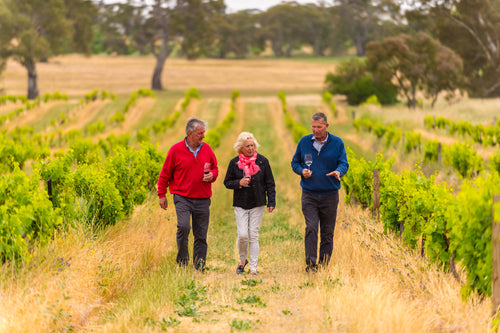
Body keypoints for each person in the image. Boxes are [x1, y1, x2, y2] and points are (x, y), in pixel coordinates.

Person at [157, 117, 218, 272]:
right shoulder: (175, 150)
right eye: (200, 133)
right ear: (190, 133)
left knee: (201, 234)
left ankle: (199, 266)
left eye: (203, 133)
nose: (203, 136)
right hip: (182, 197)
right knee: (184, 227)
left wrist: (212, 175)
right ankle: (183, 261)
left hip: (203, 198)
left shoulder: (207, 149)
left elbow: (215, 168)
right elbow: (165, 174)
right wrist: (161, 194)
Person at [291, 112, 348, 272]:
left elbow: (344, 163)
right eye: (313, 127)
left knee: (327, 232)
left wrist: (338, 171)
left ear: (326, 126)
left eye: (319, 127)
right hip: (309, 194)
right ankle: (310, 264)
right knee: (311, 227)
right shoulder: (304, 142)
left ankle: (323, 265)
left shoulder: (337, 143)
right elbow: (295, 162)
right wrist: (302, 171)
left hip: (330, 195)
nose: (315, 130)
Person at [224, 132, 276, 276]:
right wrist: (238, 183)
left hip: (257, 203)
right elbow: (227, 182)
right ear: (240, 147)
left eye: (252, 145)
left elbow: (270, 183)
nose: (250, 148)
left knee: (253, 235)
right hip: (241, 203)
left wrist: (271, 201)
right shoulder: (234, 163)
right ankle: (242, 261)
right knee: (242, 235)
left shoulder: (262, 161)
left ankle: (253, 268)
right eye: (247, 146)